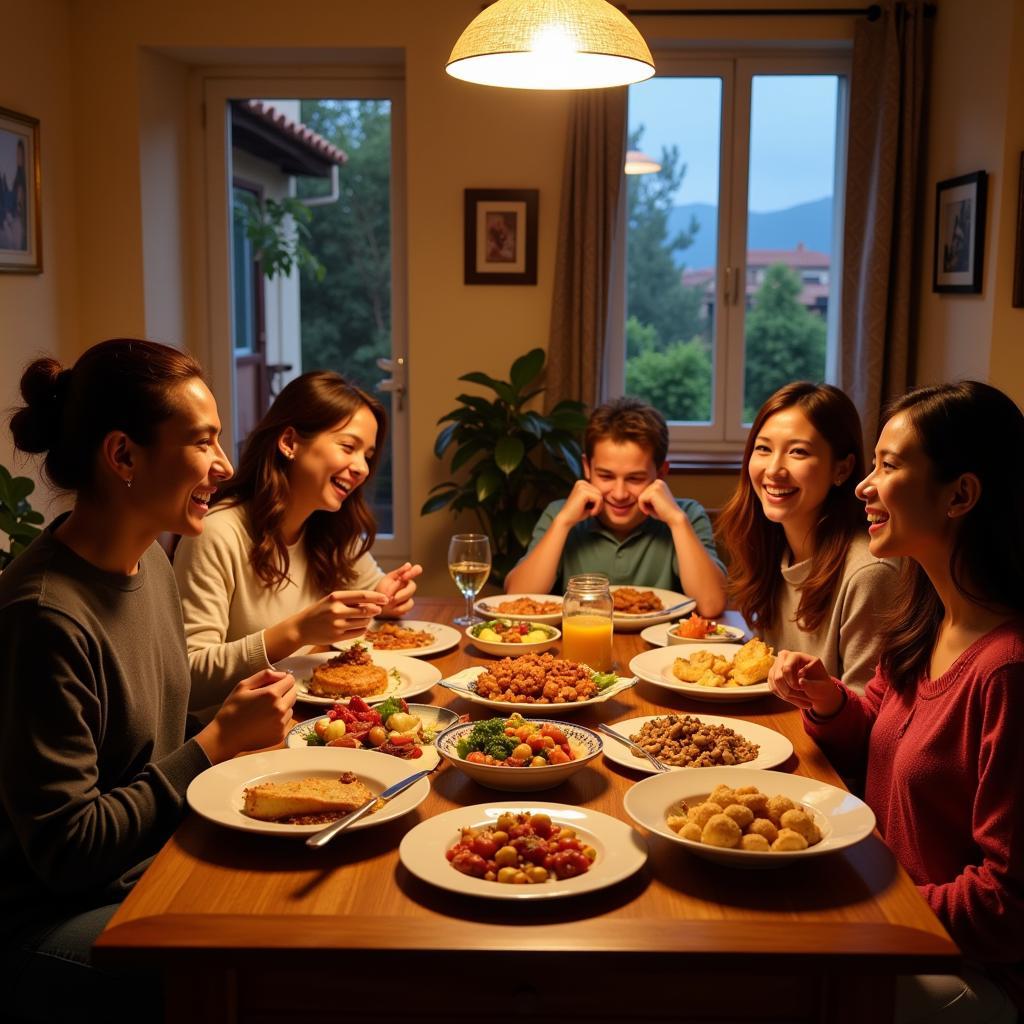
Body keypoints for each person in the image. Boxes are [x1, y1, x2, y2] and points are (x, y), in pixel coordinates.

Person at [0, 339, 297, 1022]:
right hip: (54, 919)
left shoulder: (150, 562)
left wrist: (239, 735)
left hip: (150, 864)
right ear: (123, 457)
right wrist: (214, 743)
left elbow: (145, 743)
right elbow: (67, 851)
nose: (224, 467)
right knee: (275, 971)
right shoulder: (45, 617)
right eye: (203, 442)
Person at [769, 381, 1024, 1022]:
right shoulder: (927, 614)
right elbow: (876, 736)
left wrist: (862, 901)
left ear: (961, 494)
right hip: (886, 915)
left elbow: (1007, 905)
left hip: (958, 967)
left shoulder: (1007, 672)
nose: (864, 485)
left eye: (888, 465)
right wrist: (830, 703)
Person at [173, 370, 422, 716]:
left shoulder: (329, 524)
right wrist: (297, 631)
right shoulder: (217, 533)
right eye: (349, 447)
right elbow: (188, 677)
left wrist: (385, 597)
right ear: (289, 442)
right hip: (236, 739)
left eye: (367, 455)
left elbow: (368, 593)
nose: (362, 468)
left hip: (313, 718)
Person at [716, 382, 897, 692]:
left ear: (842, 469)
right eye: (763, 448)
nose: (774, 469)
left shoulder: (868, 574)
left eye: (798, 452)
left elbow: (868, 715)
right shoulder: (772, 547)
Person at [504, 396, 727, 616]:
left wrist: (677, 522)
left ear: (660, 473)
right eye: (606, 476)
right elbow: (516, 598)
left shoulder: (687, 515)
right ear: (587, 468)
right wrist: (563, 523)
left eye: (635, 478)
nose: (619, 494)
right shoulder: (559, 513)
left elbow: (711, 605)